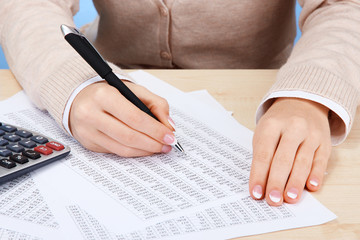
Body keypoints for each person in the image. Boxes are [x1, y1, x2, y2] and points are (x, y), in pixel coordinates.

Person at [0, 0, 359, 207]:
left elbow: (343, 6)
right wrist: (74, 85)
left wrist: (307, 96)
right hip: (105, 77)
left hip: (260, 89)